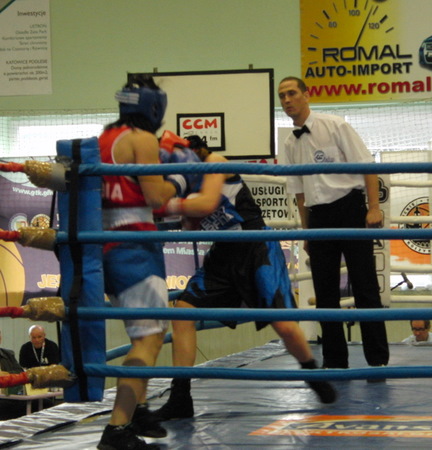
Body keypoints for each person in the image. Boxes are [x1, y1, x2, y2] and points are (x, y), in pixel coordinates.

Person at [150, 133, 337, 422]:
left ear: (194, 152)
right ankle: (180, 397)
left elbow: (205, 204)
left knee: (285, 326)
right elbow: (193, 221)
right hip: (223, 254)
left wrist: (167, 206)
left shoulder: (215, 161)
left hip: (257, 250)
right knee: (183, 313)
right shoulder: (185, 181)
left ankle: (312, 373)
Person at [97, 75, 194, 450]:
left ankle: (137, 410)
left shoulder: (106, 137)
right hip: (135, 246)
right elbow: (155, 197)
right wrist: (182, 178)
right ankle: (117, 428)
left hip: (108, 244)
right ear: (155, 106)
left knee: (144, 333)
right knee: (149, 338)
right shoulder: (142, 139)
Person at [277, 76, 389, 370]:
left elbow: (367, 166)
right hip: (318, 217)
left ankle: (378, 360)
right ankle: (335, 361)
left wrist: (374, 208)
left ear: (306, 95)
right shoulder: (289, 143)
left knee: (365, 286)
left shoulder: (335, 125)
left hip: (350, 209)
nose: (287, 100)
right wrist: (306, 232)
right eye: (282, 96)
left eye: (292, 93)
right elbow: (299, 193)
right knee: (325, 293)